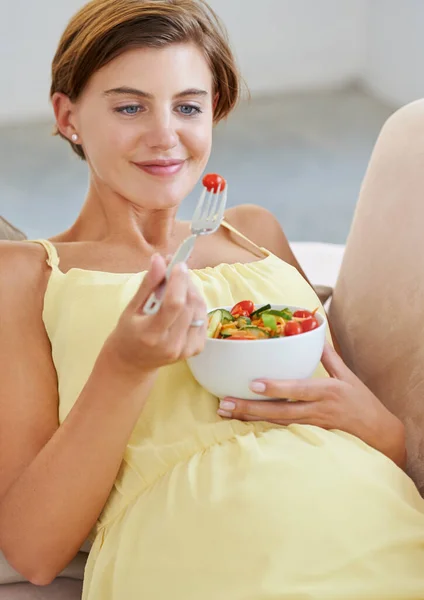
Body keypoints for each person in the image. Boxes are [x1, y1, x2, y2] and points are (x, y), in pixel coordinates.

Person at [0, 1, 423, 598]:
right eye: (129, 106)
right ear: (67, 114)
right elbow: (34, 551)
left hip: (374, 522)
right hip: (205, 558)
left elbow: (363, 415)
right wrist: (124, 369)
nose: (165, 136)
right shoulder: (23, 276)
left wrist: (381, 429)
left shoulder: (257, 233)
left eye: (189, 107)